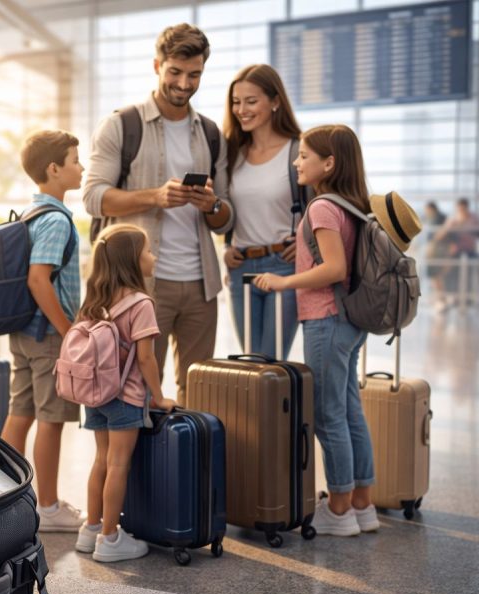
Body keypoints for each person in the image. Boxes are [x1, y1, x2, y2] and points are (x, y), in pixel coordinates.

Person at [84, 23, 234, 406]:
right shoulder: (122, 125)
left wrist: (212, 205)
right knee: (135, 395)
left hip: (201, 285)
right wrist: (155, 196)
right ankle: (136, 470)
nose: (185, 83)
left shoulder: (212, 134)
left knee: (202, 394)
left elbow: (226, 218)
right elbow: (93, 197)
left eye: (195, 74)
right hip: (140, 285)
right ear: (157, 66)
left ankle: (185, 465)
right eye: (175, 72)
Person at [252, 124, 379, 537]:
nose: (296, 161)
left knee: (327, 416)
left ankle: (339, 509)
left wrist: (283, 281)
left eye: (304, 155)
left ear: (329, 163)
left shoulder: (323, 207)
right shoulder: (351, 205)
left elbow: (333, 268)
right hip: (349, 321)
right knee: (350, 412)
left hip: (325, 318)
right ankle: (362, 503)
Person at [72, 224, 177, 562]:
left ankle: (91, 528)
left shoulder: (96, 299)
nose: (153, 256)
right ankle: (111, 538)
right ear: (132, 260)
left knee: (101, 460)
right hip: (125, 396)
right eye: (148, 251)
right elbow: (145, 357)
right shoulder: (140, 303)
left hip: (95, 395)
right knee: (119, 464)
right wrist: (159, 396)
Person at [1, 129, 85, 532]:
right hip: (47, 335)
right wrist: (69, 331)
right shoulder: (55, 220)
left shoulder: (31, 214)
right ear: (54, 169)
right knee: (52, 418)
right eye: (74, 161)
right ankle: (48, 507)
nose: (81, 167)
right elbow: (39, 280)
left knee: (21, 413)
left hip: (23, 333)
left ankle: (5, 495)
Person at [221, 64, 307, 359]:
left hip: (283, 265)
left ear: (275, 102)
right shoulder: (231, 153)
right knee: (249, 363)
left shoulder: (297, 151)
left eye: (251, 101)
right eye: (236, 101)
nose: (241, 109)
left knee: (270, 364)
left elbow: (322, 209)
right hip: (240, 267)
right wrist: (226, 247)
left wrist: (307, 242)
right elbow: (228, 209)